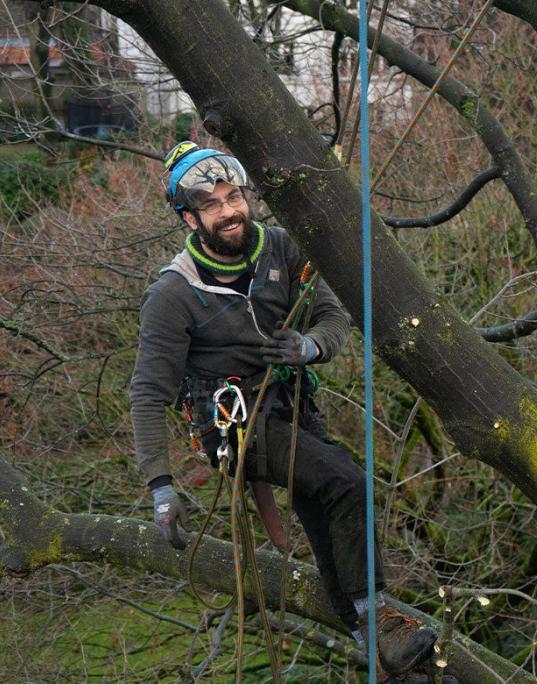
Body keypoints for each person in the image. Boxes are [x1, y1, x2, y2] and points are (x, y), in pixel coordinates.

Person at [129, 141, 438, 679]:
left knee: (324, 507)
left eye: (234, 196)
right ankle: (380, 620)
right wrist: (161, 486)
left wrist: (310, 346)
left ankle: (375, 642)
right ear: (189, 217)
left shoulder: (281, 249)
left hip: (291, 407)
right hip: (232, 426)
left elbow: (331, 314)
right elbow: (146, 393)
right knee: (348, 483)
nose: (230, 211)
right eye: (212, 205)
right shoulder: (174, 292)